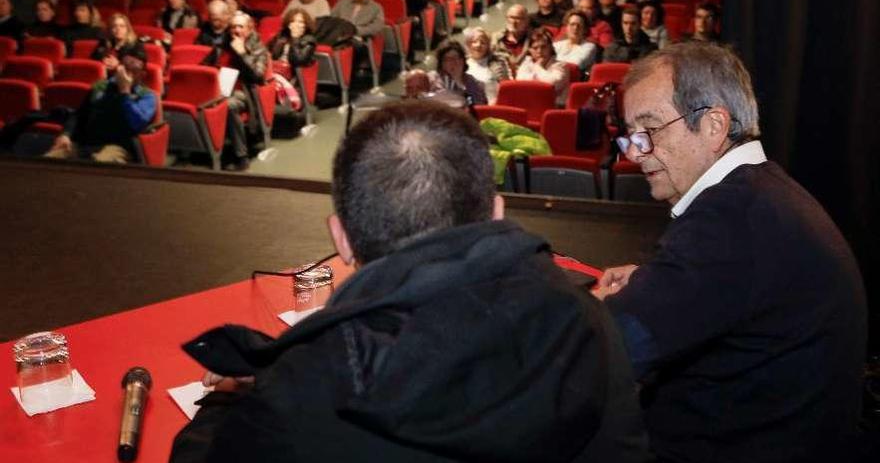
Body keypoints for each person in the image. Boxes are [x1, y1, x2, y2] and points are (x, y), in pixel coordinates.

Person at [169, 99, 651, 462]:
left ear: (341, 238)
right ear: (498, 211)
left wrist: (229, 403)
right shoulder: (590, 318)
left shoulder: (303, 391)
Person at [595, 42, 867, 463]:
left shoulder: (729, 217)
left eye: (650, 130)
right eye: (632, 136)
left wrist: (591, 307)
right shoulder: (762, 193)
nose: (636, 153)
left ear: (714, 125)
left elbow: (606, 350)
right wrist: (655, 283)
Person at [44, 49, 156, 164]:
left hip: (118, 146)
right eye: (125, 68)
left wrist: (125, 92)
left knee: (98, 164)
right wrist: (66, 135)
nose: (128, 74)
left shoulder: (146, 96)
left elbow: (137, 122)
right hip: (86, 142)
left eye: (134, 70)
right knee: (51, 158)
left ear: (142, 74)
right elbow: (80, 114)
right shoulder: (100, 86)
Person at [216, 11, 269, 171]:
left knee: (229, 104)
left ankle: (242, 156)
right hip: (218, 89)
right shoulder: (224, 45)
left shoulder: (258, 47)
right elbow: (207, 64)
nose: (236, 30)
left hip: (244, 91)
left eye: (240, 26)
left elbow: (258, 76)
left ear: (249, 28)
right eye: (233, 27)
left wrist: (242, 53)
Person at [516, 28, 570, 107]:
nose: (539, 51)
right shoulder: (526, 64)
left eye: (543, 47)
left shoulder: (562, 66)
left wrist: (538, 67)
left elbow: (550, 86)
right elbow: (520, 84)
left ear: (550, 48)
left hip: (554, 108)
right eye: (535, 48)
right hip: (529, 106)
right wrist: (539, 78)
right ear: (530, 50)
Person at [427, 39, 487, 106]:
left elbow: (481, 106)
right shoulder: (432, 79)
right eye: (448, 59)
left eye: (456, 57)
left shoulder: (473, 83)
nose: (453, 62)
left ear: (463, 60)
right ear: (441, 63)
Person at [267, 7, 317, 84]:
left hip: (294, 78)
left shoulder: (309, 40)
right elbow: (271, 55)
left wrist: (295, 38)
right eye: (293, 21)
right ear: (288, 24)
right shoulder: (281, 36)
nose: (296, 25)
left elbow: (298, 61)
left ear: (305, 25)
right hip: (275, 71)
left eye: (300, 22)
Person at [463, 27, 509, 105]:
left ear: (488, 45)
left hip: (494, 107)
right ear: (468, 44)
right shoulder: (462, 63)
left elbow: (506, 89)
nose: (478, 45)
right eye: (474, 42)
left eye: (483, 42)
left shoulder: (498, 63)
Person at [491, 4, 530, 75]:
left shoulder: (534, 38)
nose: (514, 22)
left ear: (526, 20)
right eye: (511, 17)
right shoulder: (496, 39)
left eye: (518, 18)